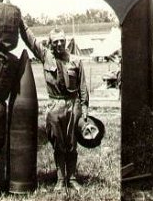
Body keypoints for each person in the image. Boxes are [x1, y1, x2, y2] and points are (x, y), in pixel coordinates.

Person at [19, 20, 89, 193]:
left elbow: (82, 87)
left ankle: (72, 179)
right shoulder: (45, 56)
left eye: (61, 40)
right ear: (50, 43)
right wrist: (20, 21)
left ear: (66, 41)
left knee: (72, 144)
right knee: (58, 144)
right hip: (54, 105)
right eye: (55, 41)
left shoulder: (75, 61)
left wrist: (85, 110)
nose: (59, 44)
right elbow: (30, 40)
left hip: (73, 105)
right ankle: (60, 180)